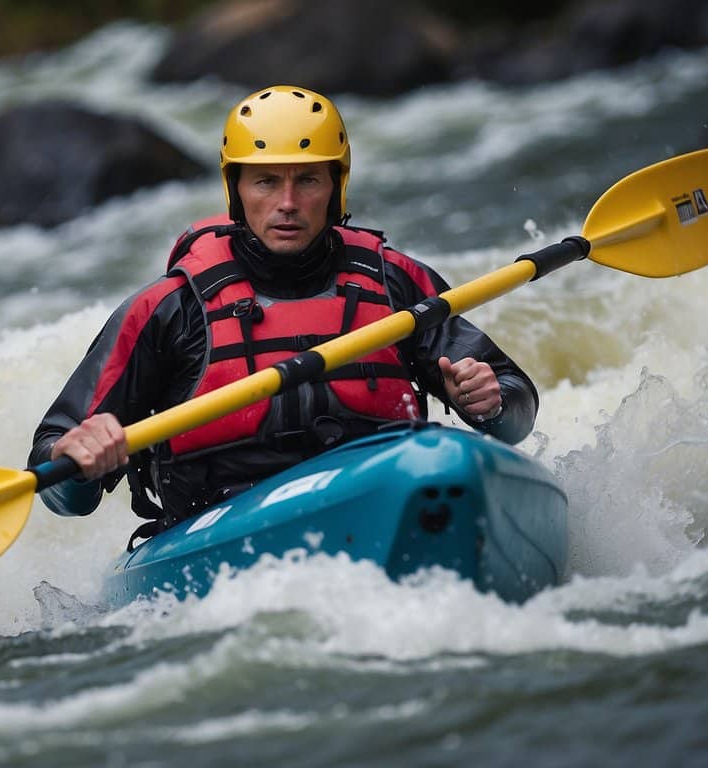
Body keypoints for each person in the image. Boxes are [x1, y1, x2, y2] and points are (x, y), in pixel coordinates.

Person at [29, 85, 537, 544]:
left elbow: (515, 411)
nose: (288, 203)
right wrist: (76, 461)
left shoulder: (394, 281)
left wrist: (491, 402)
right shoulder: (170, 309)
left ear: (336, 187)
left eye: (308, 181)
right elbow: (57, 478)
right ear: (237, 191)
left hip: (381, 494)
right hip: (222, 527)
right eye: (266, 182)